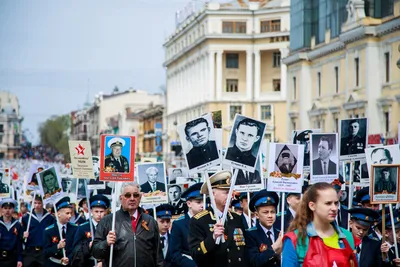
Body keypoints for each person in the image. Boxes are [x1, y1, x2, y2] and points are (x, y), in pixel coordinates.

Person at [282, 182, 357, 267]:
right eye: (328, 203)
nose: (334, 208)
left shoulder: (347, 236)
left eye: (336, 203)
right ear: (312, 206)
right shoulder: (295, 239)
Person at [92, 182, 162, 267]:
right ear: (121, 198)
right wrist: (106, 243)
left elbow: (158, 256)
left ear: (140, 198)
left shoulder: (150, 221)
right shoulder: (108, 221)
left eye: (135, 195)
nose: (132, 199)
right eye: (128, 195)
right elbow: (95, 253)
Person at [188, 170, 248, 267]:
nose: (230, 196)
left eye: (230, 192)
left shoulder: (236, 218)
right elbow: (196, 253)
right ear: (213, 193)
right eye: (226, 192)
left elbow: (244, 251)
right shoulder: (199, 220)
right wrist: (213, 238)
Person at [169, 183, 204, 267]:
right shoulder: (179, 224)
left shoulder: (208, 221)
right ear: (189, 204)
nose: (203, 205)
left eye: (204, 201)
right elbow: (175, 254)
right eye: (198, 202)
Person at [245, 190, 282, 267]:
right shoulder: (250, 234)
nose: (270, 216)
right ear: (257, 215)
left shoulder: (280, 233)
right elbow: (254, 261)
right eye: (265, 212)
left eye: (272, 212)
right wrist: (274, 247)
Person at [71, 194, 110, 267]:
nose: (99, 214)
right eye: (96, 211)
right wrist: (88, 246)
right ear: (91, 211)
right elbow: (76, 250)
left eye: (101, 211)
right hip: (88, 263)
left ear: (105, 211)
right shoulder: (83, 228)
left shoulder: (109, 227)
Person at [43, 196, 78, 266]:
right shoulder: (49, 231)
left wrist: (69, 258)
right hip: (54, 264)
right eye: (67, 213)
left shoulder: (75, 228)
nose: (70, 216)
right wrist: (57, 247)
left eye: (71, 213)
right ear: (58, 214)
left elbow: (77, 248)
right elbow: (45, 252)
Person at [21, 194, 55, 267]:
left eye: (39, 203)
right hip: (30, 251)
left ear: (43, 203)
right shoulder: (26, 217)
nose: (37, 205)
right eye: (35, 203)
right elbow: (21, 236)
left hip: (44, 250)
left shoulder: (50, 218)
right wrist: (23, 236)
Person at [0, 198, 23, 267]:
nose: (7, 210)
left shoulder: (17, 225)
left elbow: (19, 243)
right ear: (2, 209)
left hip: (12, 258)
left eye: (10, 208)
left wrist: (19, 259)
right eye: (5, 208)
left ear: (13, 210)